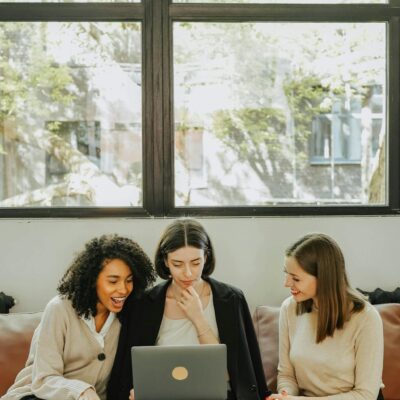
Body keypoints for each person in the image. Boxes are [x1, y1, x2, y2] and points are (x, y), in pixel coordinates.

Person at [107, 219, 270, 400]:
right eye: (177, 264)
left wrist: (198, 319)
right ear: (166, 261)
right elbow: (129, 371)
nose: (188, 273)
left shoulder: (231, 299)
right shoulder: (144, 304)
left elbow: (234, 373)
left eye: (195, 262)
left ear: (206, 257)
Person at [1, 234, 156, 400]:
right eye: (113, 281)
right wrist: (81, 391)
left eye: (129, 280)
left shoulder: (127, 316)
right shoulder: (60, 309)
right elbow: (43, 379)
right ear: (92, 280)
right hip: (35, 395)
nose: (123, 289)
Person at [268, 233, 384, 400]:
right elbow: (287, 375)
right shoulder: (289, 308)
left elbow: (365, 395)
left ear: (324, 278)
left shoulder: (366, 318)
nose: (287, 283)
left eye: (296, 278)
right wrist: (285, 396)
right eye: (286, 273)